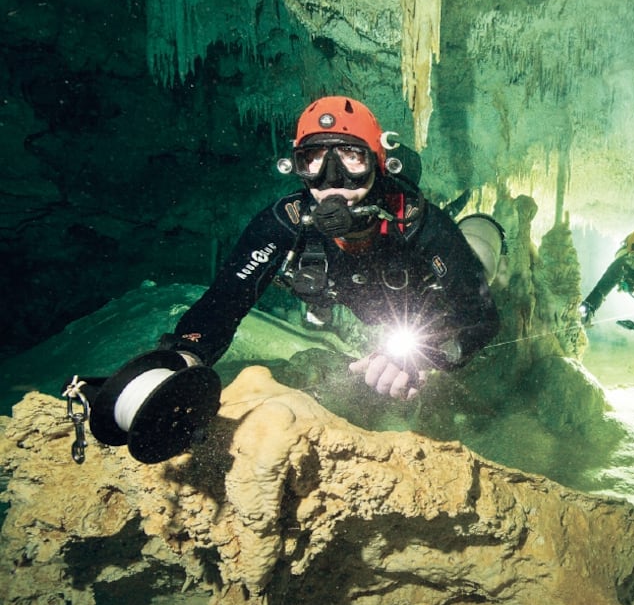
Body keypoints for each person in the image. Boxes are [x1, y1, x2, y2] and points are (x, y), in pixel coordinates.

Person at [158, 95, 500, 400]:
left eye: (351, 157)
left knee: (478, 262)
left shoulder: (415, 221)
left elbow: (478, 315)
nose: (333, 178)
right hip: (354, 298)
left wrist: (421, 354)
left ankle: (482, 230)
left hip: (417, 306)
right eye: (315, 159)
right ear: (298, 167)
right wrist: (186, 355)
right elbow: (225, 299)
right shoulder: (287, 220)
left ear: (378, 162)